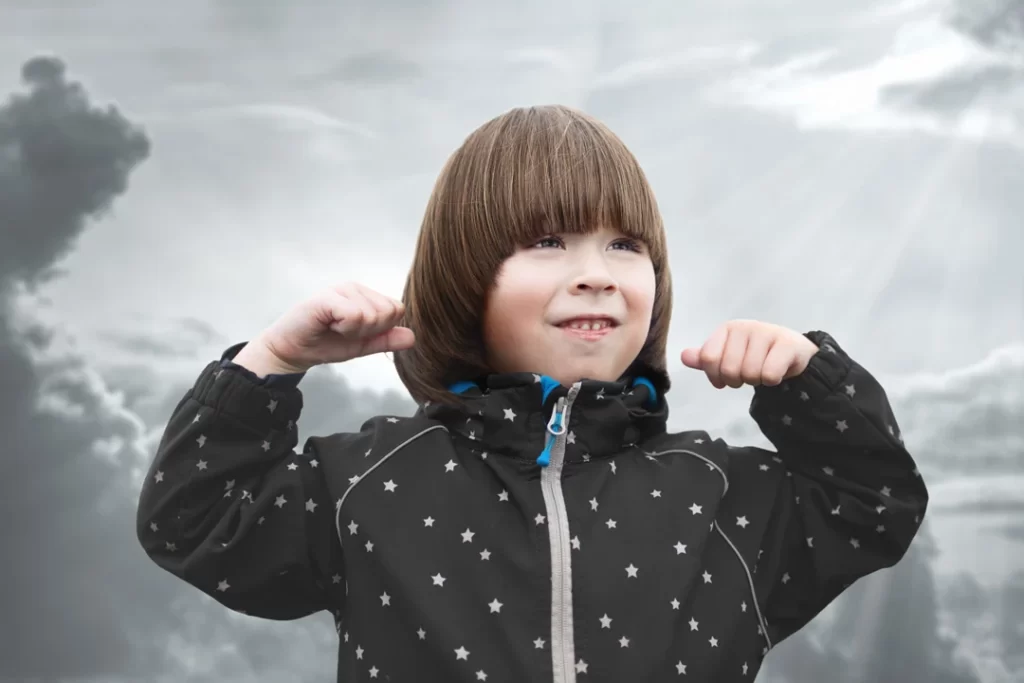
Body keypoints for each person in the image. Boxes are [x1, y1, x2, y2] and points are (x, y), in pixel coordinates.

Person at [137, 105, 929, 682]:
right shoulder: (369, 483)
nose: (595, 270)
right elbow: (193, 521)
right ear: (464, 280)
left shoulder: (720, 496)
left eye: (624, 243)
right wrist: (273, 358)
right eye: (548, 241)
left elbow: (873, 504)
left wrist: (806, 378)